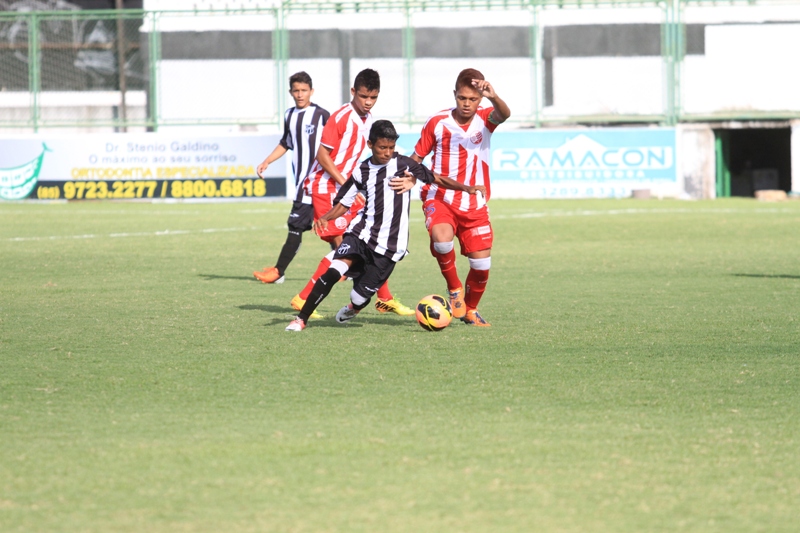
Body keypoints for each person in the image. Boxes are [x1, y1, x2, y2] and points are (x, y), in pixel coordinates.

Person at [285, 120, 485, 331]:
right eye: (383, 147)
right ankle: (301, 319)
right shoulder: (361, 171)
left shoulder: (405, 165)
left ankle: (355, 306)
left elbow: (436, 178)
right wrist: (326, 217)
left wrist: (467, 188)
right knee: (333, 271)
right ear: (370, 144)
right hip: (361, 233)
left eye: (391, 148)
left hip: (390, 246)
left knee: (359, 297)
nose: (388, 152)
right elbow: (344, 203)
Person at [290, 68, 413, 317]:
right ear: (353, 92)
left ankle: (383, 298)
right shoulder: (341, 117)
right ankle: (303, 299)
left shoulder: (369, 121)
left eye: (373, 97)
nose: (368, 102)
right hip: (327, 188)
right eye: (364, 96)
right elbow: (322, 156)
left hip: (347, 189)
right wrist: (349, 185)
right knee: (344, 249)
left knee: (369, 243)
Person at [410, 68, 511, 326]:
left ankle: (471, 310)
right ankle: (454, 288)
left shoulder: (486, 118)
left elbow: (505, 114)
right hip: (440, 195)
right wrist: (409, 175)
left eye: (473, 99)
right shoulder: (437, 122)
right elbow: (418, 157)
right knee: (442, 241)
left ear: (480, 98)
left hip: (475, 202)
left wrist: (493, 96)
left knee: (481, 265)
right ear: (455, 95)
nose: (467, 104)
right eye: (462, 98)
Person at [253, 71, 330, 284]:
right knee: (321, 227)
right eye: (296, 90)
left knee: (302, 226)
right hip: (302, 184)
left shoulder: (322, 115)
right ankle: (347, 270)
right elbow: (286, 142)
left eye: (304, 90)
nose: (300, 94)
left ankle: (278, 272)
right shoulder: (289, 115)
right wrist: (267, 161)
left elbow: (336, 145)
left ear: (311, 91)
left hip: (319, 183)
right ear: (290, 92)